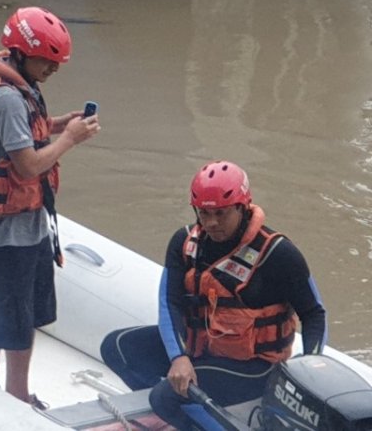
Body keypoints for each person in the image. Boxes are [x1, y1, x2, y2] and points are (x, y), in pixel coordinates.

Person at [100, 161, 327, 430]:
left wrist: (309, 371)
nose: (211, 223)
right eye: (204, 213)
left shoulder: (279, 253)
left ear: (242, 208)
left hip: (254, 368)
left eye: (221, 213)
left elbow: (315, 314)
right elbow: (169, 303)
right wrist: (178, 358)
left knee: (164, 397)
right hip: (200, 353)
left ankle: (203, 419)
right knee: (116, 347)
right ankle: (193, 417)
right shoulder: (183, 243)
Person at [0, 6, 100, 406]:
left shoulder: (18, 87)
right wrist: (70, 139)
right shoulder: (6, 98)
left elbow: (23, 135)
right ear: (21, 52)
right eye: (48, 61)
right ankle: (15, 396)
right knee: (12, 321)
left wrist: (56, 125)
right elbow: (27, 166)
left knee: (8, 317)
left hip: (22, 225)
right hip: (6, 233)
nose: (53, 69)